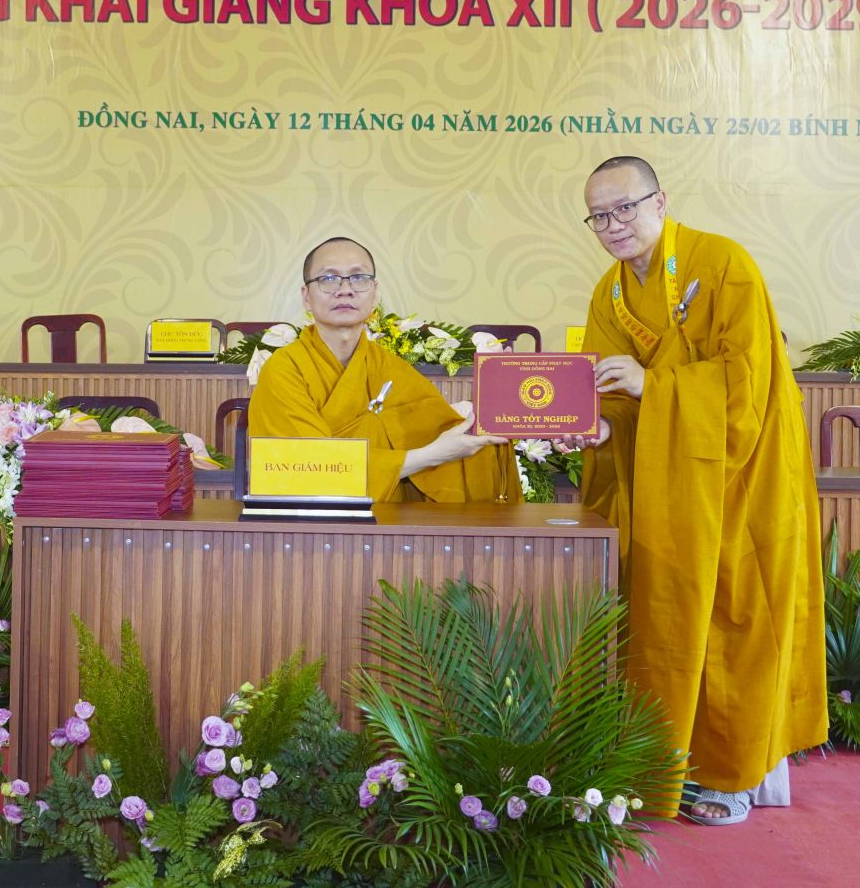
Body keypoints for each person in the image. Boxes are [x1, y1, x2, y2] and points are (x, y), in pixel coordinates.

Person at [566, 156, 827, 825]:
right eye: (598, 215)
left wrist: (654, 386)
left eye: (625, 207)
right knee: (662, 616)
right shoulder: (610, 293)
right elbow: (613, 394)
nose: (613, 224)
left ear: (660, 201)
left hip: (741, 475)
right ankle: (663, 765)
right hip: (662, 480)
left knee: (735, 614)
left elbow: (749, 382)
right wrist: (598, 425)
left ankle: (730, 774)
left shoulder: (724, 263)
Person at [248, 237, 519, 502]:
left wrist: (499, 406)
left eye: (358, 277)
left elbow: (445, 432)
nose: (345, 289)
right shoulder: (284, 369)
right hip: (312, 526)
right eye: (328, 278)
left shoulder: (389, 368)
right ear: (306, 296)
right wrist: (429, 456)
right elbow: (305, 467)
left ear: (374, 293)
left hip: (391, 523)